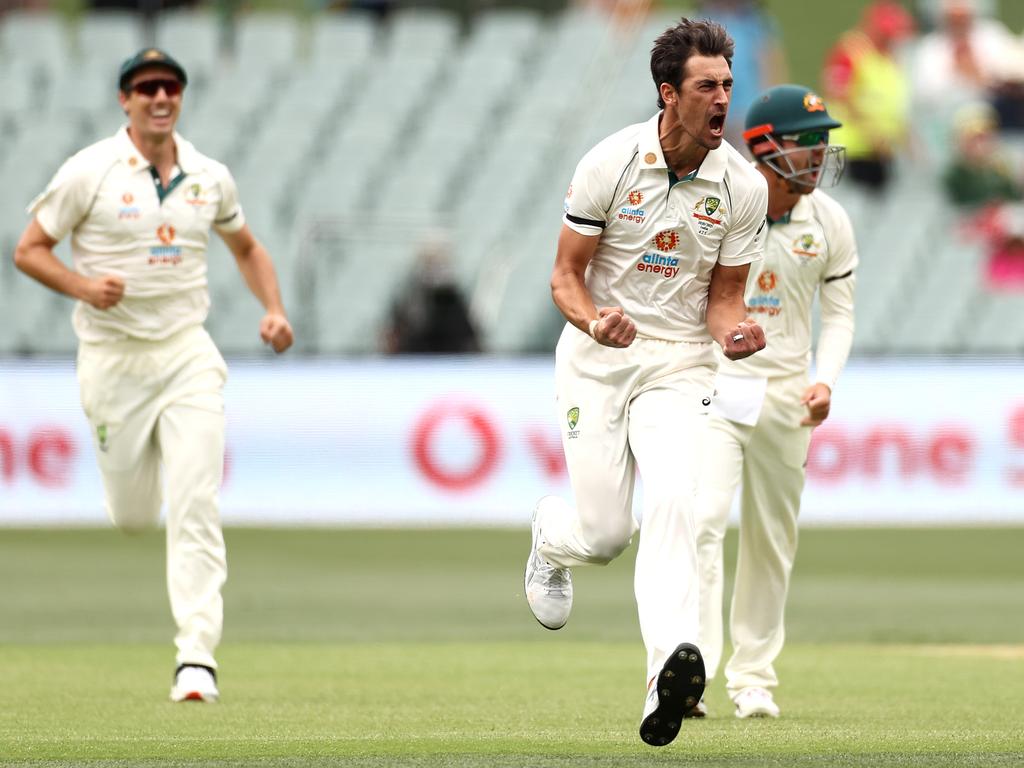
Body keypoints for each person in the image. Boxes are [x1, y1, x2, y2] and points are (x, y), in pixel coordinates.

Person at [13, 48, 294, 703]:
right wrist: (84, 287)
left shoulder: (208, 176)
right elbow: (29, 249)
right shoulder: (91, 171)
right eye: (146, 88)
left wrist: (274, 310)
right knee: (135, 515)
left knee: (196, 505)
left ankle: (196, 659)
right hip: (112, 362)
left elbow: (247, 248)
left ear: (181, 96)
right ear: (125, 100)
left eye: (170, 86)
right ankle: (133, 500)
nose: (160, 97)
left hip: (186, 354)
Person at [523, 18, 768, 748]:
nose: (723, 97)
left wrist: (735, 334)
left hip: (681, 362)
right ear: (670, 94)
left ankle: (666, 671)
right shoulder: (611, 162)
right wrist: (595, 320)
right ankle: (549, 536)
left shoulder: (743, 187)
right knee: (602, 536)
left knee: (676, 505)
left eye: (727, 84)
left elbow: (725, 299)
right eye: (707, 86)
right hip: (598, 358)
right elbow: (564, 277)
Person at [693, 84, 857, 719]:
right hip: (719, 383)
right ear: (762, 147)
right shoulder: (722, 205)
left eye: (822, 142)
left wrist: (826, 382)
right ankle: (691, 671)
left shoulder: (829, 221)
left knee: (771, 539)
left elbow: (838, 318)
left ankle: (753, 677)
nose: (818, 154)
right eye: (804, 141)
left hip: (789, 396)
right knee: (702, 520)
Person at [822, 0, 914, 192]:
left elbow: (893, 106)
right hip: (851, 150)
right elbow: (838, 93)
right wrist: (871, 133)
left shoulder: (889, 57)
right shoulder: (852, 50)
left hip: (881, 152)